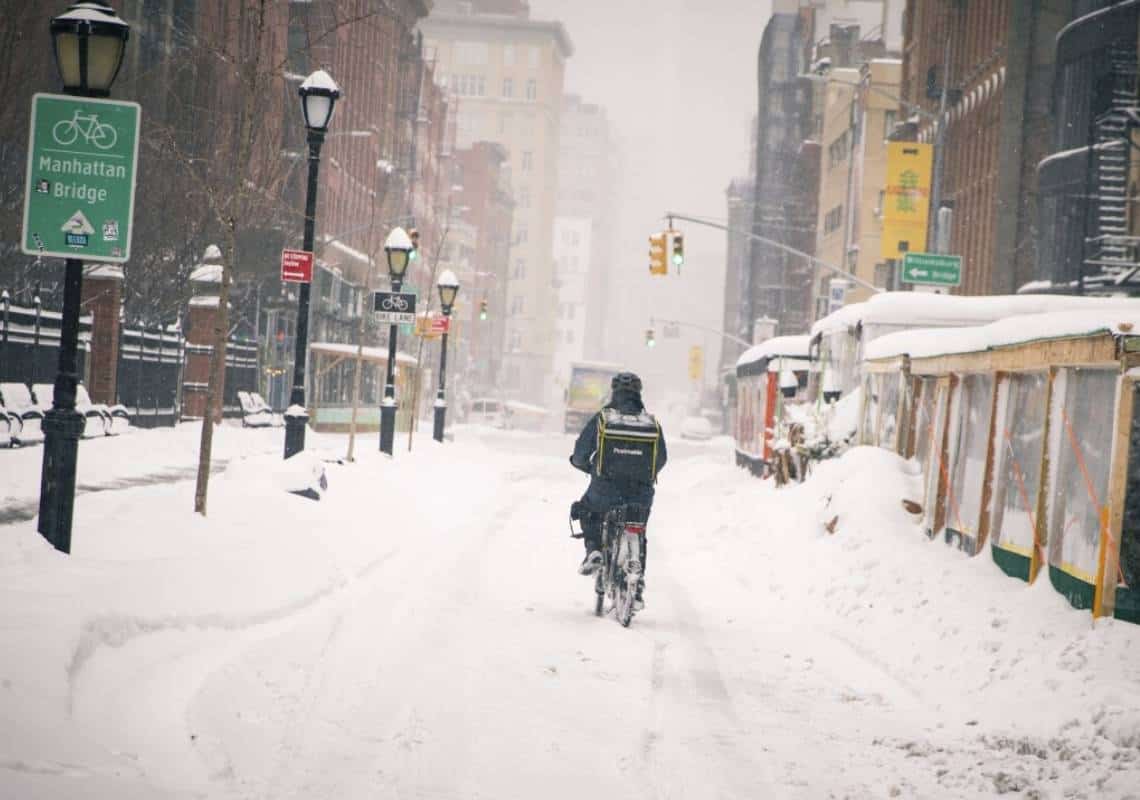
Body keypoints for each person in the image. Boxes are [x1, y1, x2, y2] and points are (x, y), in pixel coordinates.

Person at [569, 372, 667, 608]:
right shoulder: (650, 423)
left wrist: (583, 464)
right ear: (639, 393)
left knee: (586, 509)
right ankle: (638, 582)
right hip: (640, 494)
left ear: (614, 392)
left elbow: (582, 450)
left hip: (606, 489)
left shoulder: (604, 418)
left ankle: (594, 550)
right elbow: (661, 458)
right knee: (639, 530)